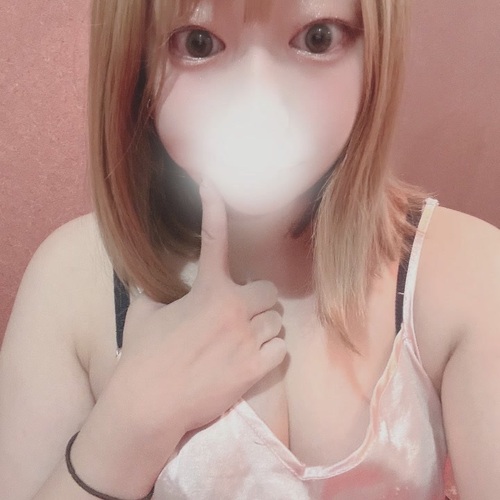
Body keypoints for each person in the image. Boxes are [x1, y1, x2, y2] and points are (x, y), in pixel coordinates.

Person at [0, 0, 499, 498]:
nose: (260, 104)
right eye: (198, 43)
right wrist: (125, 431)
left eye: (319, 38)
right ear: (135, 61)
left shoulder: (468, 273)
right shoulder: (72, 282)